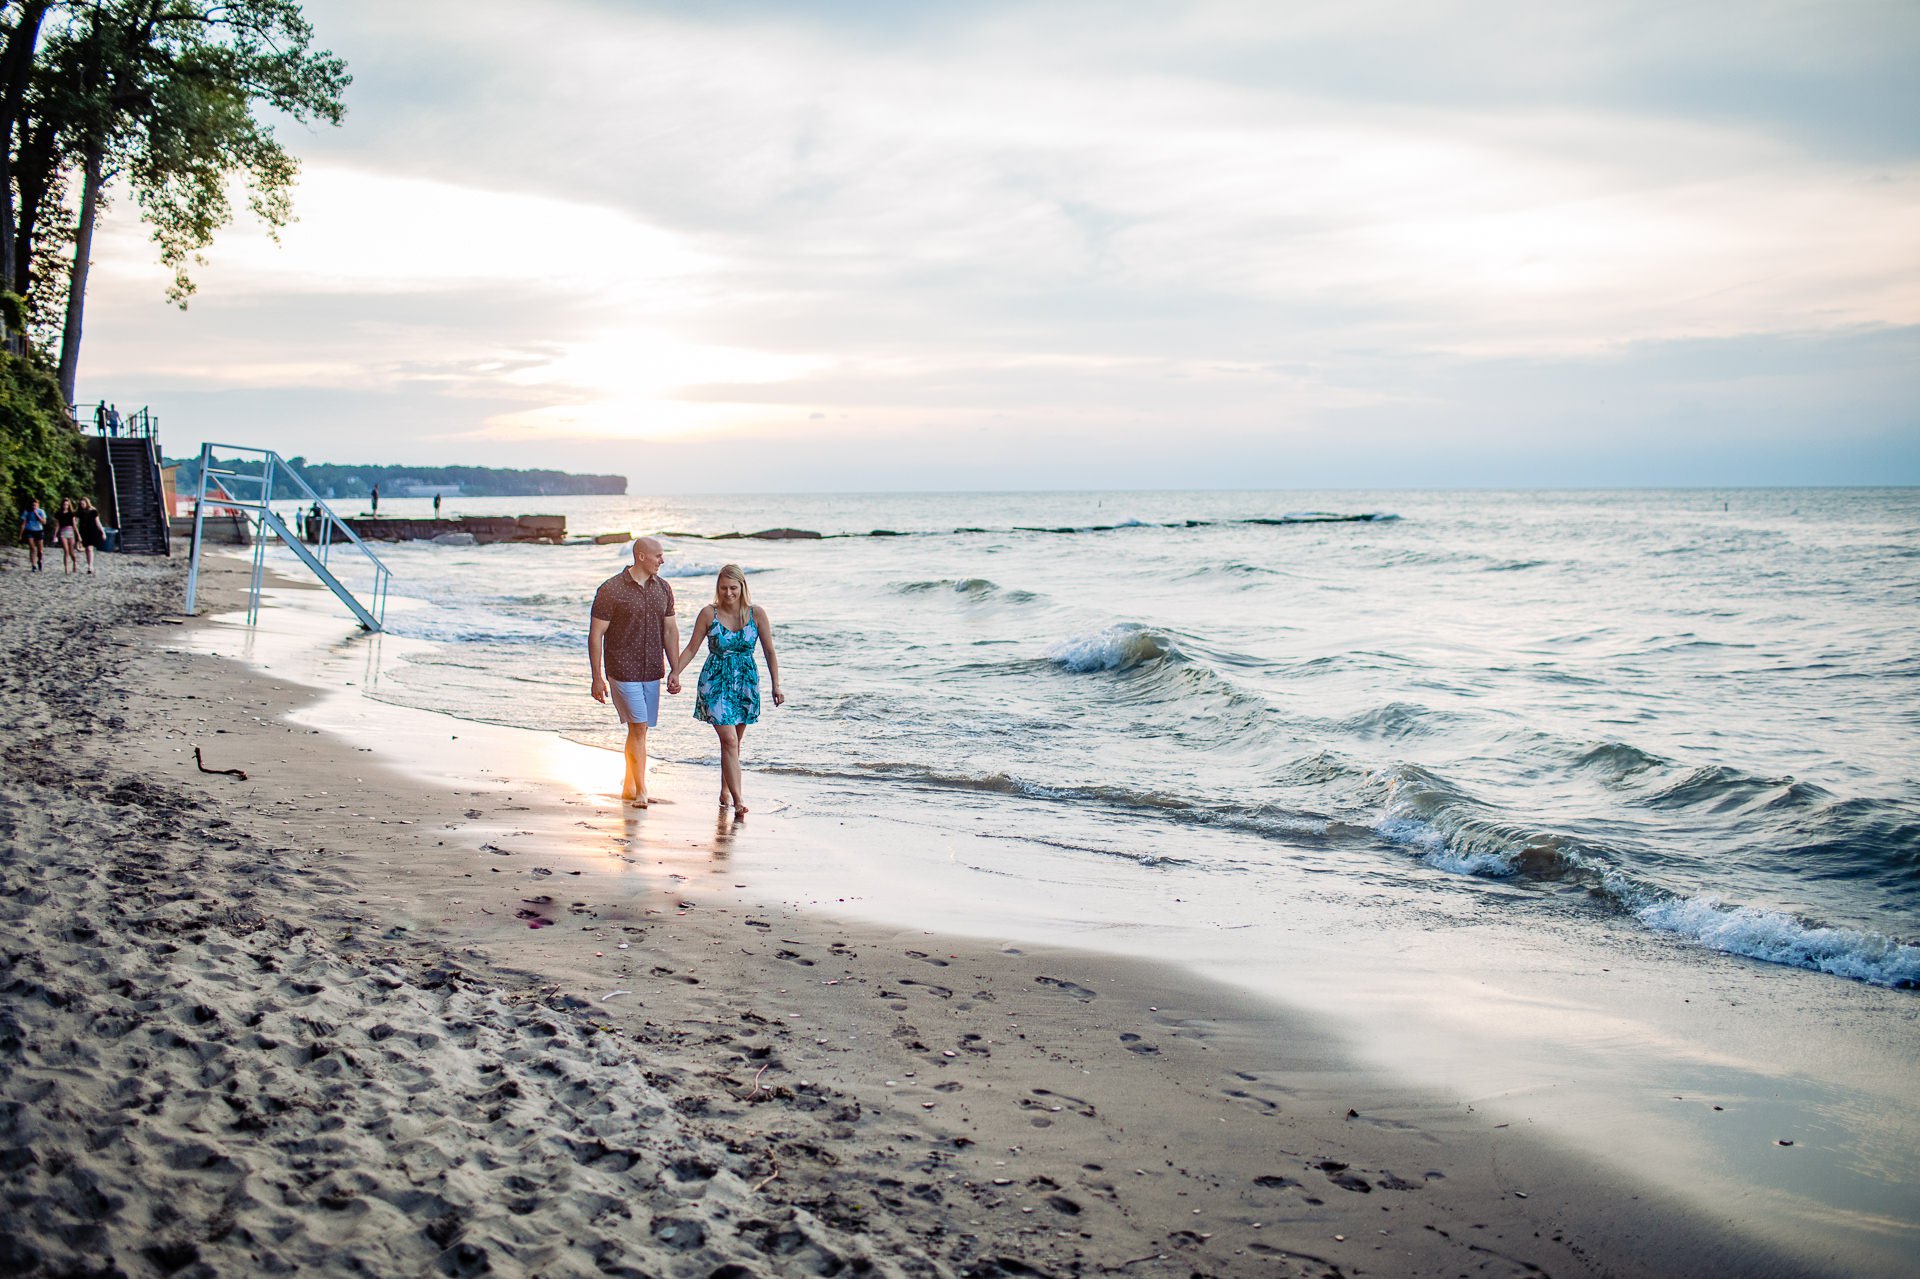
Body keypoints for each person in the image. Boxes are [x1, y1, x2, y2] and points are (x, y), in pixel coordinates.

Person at [668, 563, 784, 813]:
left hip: (745, 683)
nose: (728, 593)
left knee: (734, 743)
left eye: (733, 588)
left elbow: (769, 651)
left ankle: (725, 790)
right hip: (716, 682)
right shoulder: (709, 614)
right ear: (717, 588)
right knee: (729, 740)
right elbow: (691, 648)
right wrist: (675, 672)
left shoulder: (757, 614)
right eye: (723, 588)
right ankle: (739, 800)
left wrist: (776, 684)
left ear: (742, 587)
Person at [588, 538, 682, 807]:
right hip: (621, 669)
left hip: (652, 669)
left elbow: (670, 631)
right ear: (641, 556)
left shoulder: (663, 588)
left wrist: (676, 669)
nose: (662, 561)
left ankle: (629, 785)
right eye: (658, 556)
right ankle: (642, 790)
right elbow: (596, 636)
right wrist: (597, 677)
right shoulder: (611, 589)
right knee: (639, 727)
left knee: (638, 730)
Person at [74, 498, 104, 573]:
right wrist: (76, 533)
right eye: (81, 504)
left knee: (90, 548)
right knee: (86, 549)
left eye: (83, 504)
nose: (82, 505)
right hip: (83, 532)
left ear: (87, 503)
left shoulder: (93, 511)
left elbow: (98, 522)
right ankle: (89, 564)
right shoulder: (80, 512)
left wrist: (103, 532)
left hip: (92, 531)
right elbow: (76, 523)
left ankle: (90, 566)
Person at [18, 498, 46, 570]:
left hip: (39, 530)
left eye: (35, 505)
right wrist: (20, 535)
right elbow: (23, 524)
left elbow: (44, 522)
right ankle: (33, 564)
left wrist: (37, 515)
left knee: (40, 550)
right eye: (32, 505)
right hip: (29, 530)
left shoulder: (41, 511)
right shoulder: (27, 512)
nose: (34, 507)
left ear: (38, 505)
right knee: (32, 548)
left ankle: (40, 560)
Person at [52, 498, 79, 572]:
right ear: (62, 505)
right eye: (64, 504)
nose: (65, 506)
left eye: (67, 505)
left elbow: (74, 525)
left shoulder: (71, 514)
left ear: (69, 505)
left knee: (71, 551)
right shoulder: (59, 514)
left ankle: (74, 562)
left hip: (70, 531)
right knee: (66, 550)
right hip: (62, 532)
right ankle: (66, 567)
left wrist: (78, 535)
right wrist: (55, 535)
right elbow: (57, 525)